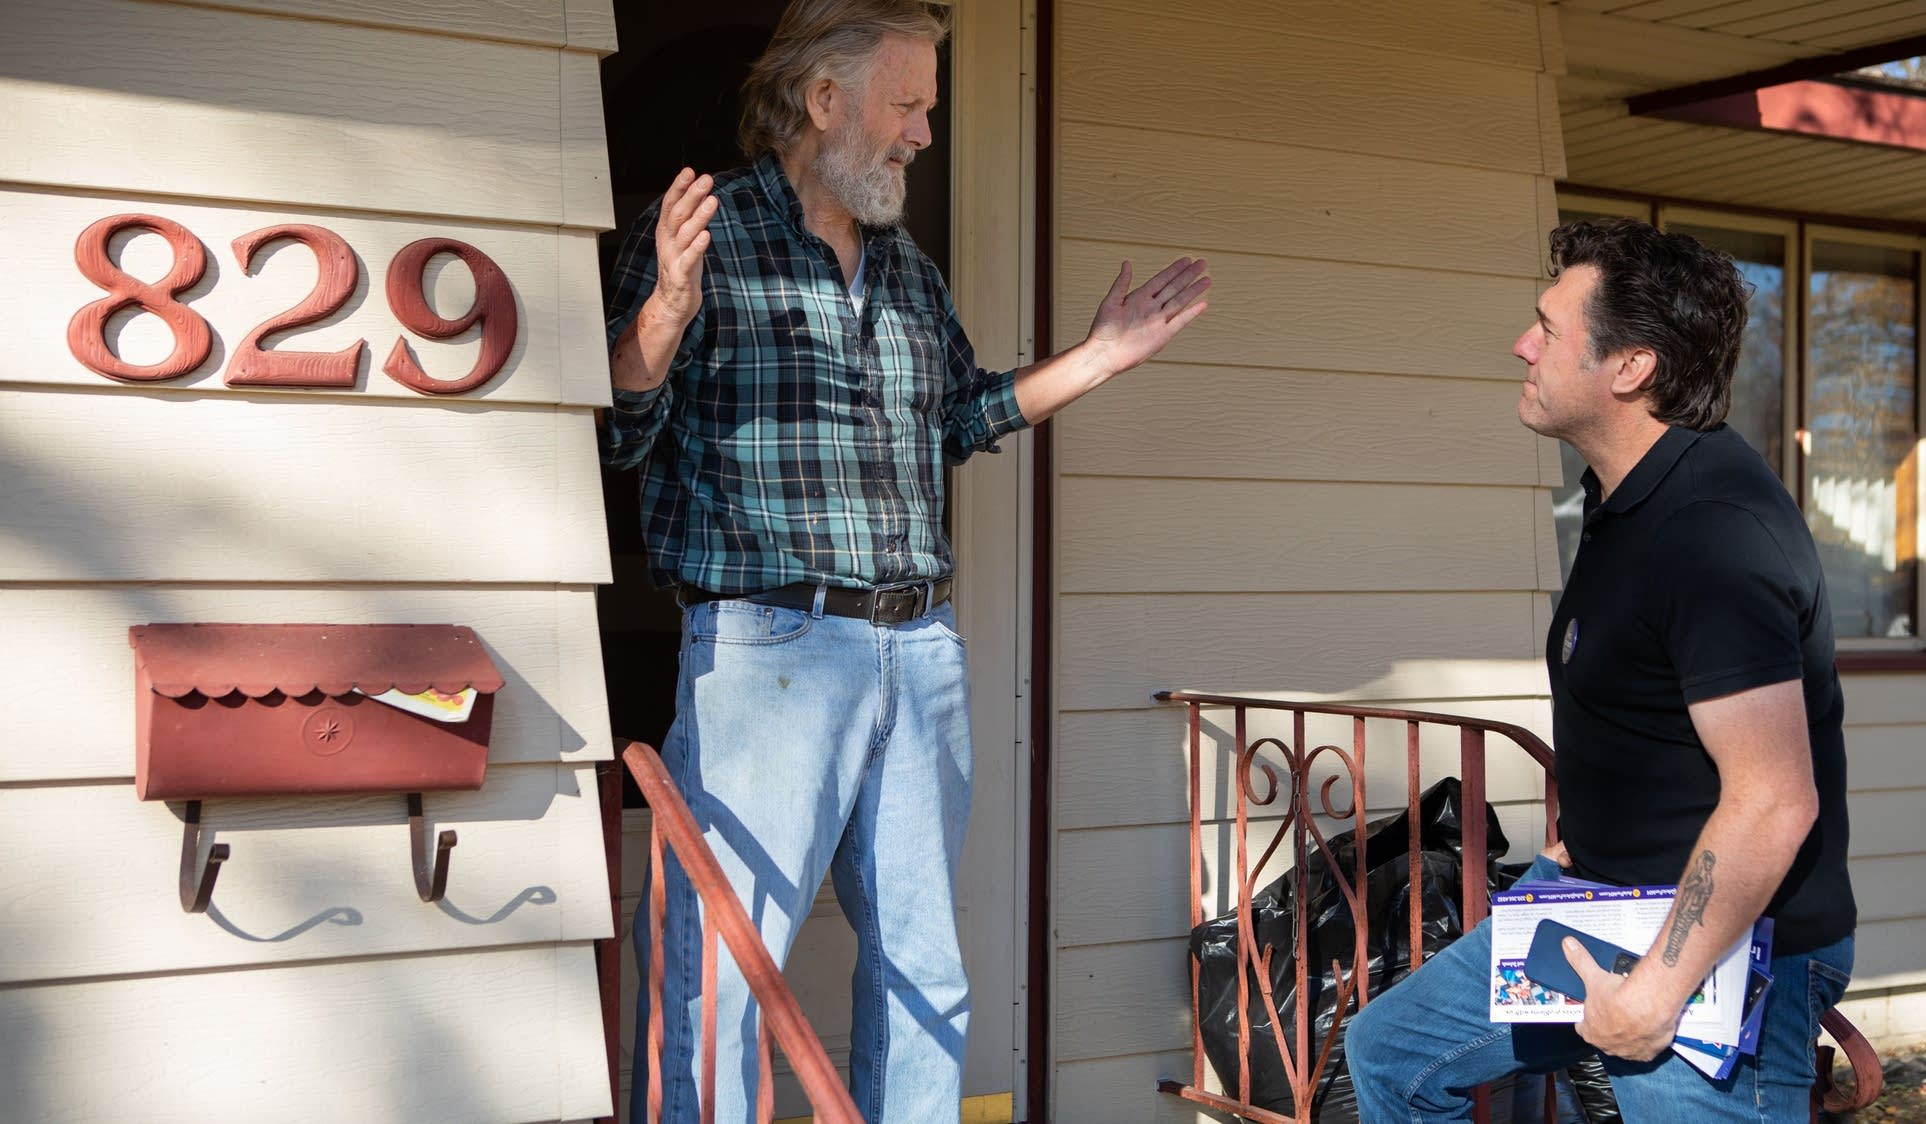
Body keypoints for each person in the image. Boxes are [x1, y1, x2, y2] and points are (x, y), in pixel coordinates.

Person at [600, 2, 1210, 1119]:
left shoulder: (907, 272)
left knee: (925, 969)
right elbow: (616, 432)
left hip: (918, 647)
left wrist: (1097, 359)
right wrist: (661, 319)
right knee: (726, 965)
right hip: (766, 646)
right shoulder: (705, 238)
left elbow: (957, 420)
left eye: (930, 107)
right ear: (821, 101)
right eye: (908, 103)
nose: (924, 132)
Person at [1344, 217, 1856, 1122]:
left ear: (1631, 368)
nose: (1522, 345)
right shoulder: (1622, 498)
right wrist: (1585, 841)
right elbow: (1639, 700)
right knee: (1394, 1055)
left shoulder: (1715, 536)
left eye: (1548, 327)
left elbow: (1776, 799)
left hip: (1718, 946)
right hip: (1601, 894)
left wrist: (1658, 991)